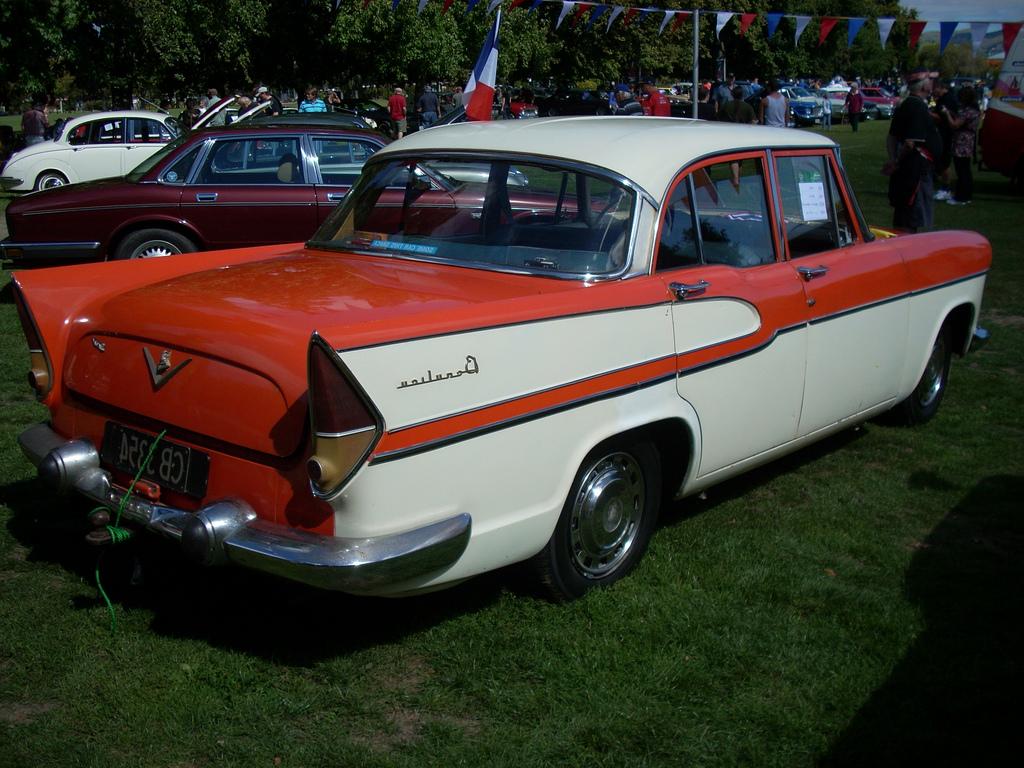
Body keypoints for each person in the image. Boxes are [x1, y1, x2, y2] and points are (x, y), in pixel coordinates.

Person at [885, 68, 942, 232]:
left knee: (906, 215)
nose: (933, 84)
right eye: (930, 81)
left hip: (909, 170)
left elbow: (891, 137)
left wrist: (893, 159)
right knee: (910, 218)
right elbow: (910, 143)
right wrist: (896, 161)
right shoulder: (916, 107)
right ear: (924, 86)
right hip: (915, 172)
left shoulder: (906, 105)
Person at [944, 86, 980, 206]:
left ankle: (961, 197)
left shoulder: (967, 111)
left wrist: (947, 114)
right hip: (968, 143)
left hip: (962, 143)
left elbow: (955, 125)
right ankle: (966, 195)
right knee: (966, 171)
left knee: (962, 171)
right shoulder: (974, 110)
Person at [931, 79, 958, 201]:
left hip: (947, 135)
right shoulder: (945, 99)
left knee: (944, 162)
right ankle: (943, 186)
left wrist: (926, 112)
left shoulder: (947, 100)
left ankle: (946, 188)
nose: (933, 91)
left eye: (935, 88)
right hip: (943, 134)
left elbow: (941, 117)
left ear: (941, 87)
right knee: (941, 161)